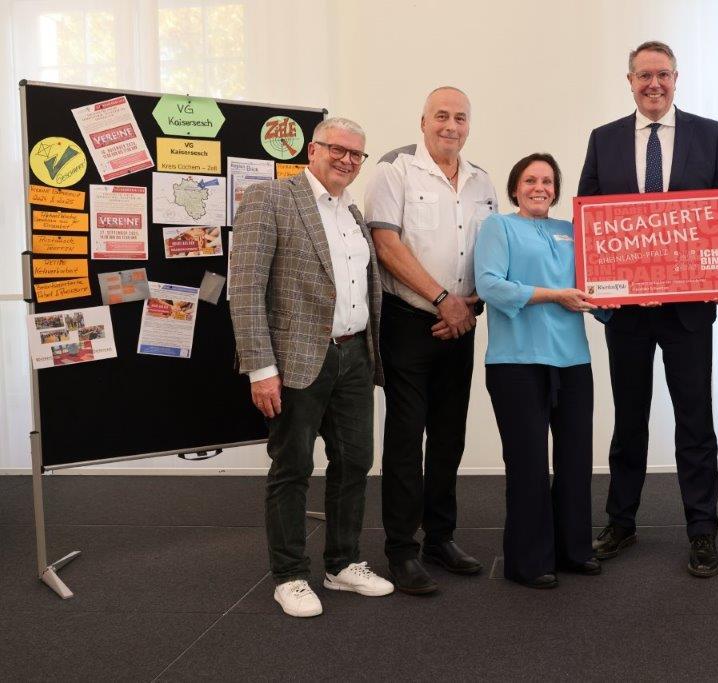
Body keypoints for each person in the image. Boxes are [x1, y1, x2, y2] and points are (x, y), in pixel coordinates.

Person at [578, 40, 718, 577]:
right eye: (644, 75)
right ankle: (621, 522)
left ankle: (701, 529)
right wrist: (600, 290)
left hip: (689, 310)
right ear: (629, 80)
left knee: (695, 420)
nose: (654, 84)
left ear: (677, 79)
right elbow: (590, 220)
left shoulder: (709, 133)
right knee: (629, 418)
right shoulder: (603, 140)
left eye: (663, 75)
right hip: (627, 311)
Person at [230, 116, 393, 618]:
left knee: (354, 463)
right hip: (296, 360)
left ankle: (342, 563)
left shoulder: (353, 213)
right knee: (293, 467)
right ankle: (290, 575)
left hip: (353, 357)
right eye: (337, 149)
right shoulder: (271, 199)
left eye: (356, 154)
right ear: (313, 150)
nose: (347, 159)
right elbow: (245, 288)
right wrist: (261, 369)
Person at [364, 87, 498, 594]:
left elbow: (491, 256)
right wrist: (444, 298)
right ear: (422, 121)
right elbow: (386, 244)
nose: (451, 125)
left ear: (469, 125)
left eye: (460, 117)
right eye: (441, 116)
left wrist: (469, 307)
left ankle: (440, 537)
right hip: (410, 322)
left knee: (449, 436)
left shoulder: (483, 181)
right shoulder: (394, 169)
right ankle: (401, 550)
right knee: (405, 438)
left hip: (461, 324)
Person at [475, 153, 604, 589]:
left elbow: (594, 291)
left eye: (548, 181)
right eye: (530, 180)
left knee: (575, 461)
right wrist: (555, 296)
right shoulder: (498, 227)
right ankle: (529, 561)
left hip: (572, 362)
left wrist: (634, 296)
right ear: (515, 187)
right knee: (528, 464)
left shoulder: (572, 231)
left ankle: (574, 551)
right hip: (517, 363)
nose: (539, 187)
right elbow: (489, 285)